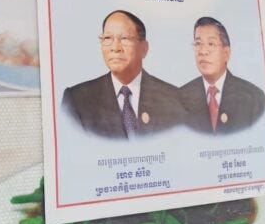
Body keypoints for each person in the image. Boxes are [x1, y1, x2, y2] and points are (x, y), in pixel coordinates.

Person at [61, 10, 185, 139]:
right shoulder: (77, 100)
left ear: (144, 48)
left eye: (124, 38)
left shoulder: (173, 98)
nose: (115, 47)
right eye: (107, 38)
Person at [179, 17, 265, 134]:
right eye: (198, 43)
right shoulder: (180, 98)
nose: (203, 51)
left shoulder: (253, 98)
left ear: (226, 53)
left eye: (211, 44)